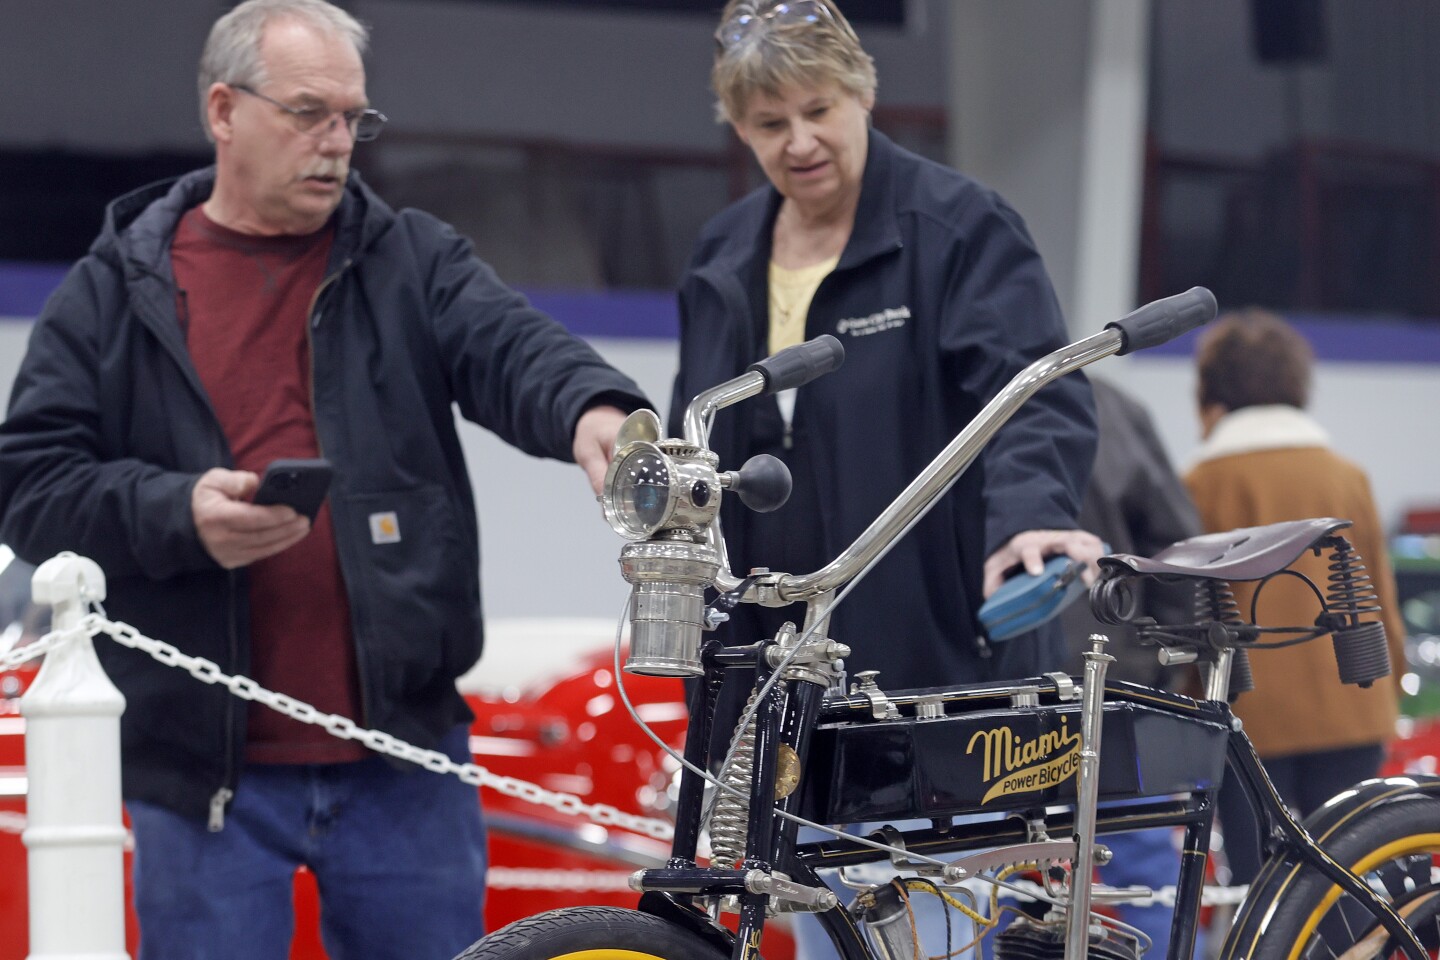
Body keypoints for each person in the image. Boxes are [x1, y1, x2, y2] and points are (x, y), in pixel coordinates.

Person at [0, 1, 648, 957]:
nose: (337, 142)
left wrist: (595, 408)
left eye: (353, 117)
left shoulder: (411, 260)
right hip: (204, 783)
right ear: (224, 111)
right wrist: (177, 514)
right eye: (308, 113)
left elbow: (515, 351)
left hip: (405, 762)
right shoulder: (115, 287)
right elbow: (30, 481)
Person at [673, 3, 1099, 957]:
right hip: (781, 679)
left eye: (819, 110)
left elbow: (1035, 393)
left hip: (929, 672)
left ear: (864, 94)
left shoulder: (957, 230)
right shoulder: (721, 257)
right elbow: (697, 450)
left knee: (932, 936)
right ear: (738, 129)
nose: (801, 142)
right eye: (769, 124)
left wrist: (1029, 516)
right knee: (829, 937)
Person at [1183, 308, 1404, 884]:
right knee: (1352, 883)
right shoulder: (1345, 474)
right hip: (1354, 705)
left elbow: (1192, 610)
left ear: (1212, 391)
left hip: (1250, 721)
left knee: (1266, 890)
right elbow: (1378, 593)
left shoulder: (1203, 482)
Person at [1058, 377, 1202, 955]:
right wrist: (1160, 659)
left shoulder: (947, 398)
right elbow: (1176, 548)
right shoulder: (1112, 408)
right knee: (1142, 865)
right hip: (1116, 681)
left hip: (988, 690)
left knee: (995, 872)